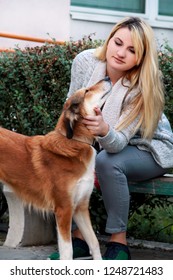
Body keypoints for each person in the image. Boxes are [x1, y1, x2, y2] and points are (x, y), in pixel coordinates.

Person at [49, 16, 173, 260]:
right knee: (75, 160)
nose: (121, 53)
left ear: (141, 57)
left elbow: (118, 144)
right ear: (110, 39)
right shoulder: (85, 62)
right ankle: (79, 238)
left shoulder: (142, 83)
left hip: (150, 147)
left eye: (132, 50)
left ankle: (119, 243)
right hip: (105, 144)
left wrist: (104, 129)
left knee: (106, 161)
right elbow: (71, 108)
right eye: (118, 43)